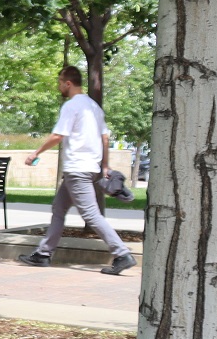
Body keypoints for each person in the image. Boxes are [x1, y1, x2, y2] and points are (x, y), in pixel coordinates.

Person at [17, 64, 135, 275]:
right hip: (90, 168)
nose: (59, 87)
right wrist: (105, 165)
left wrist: (36, 153)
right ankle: (43, 254)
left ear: (68, 83)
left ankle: (122, 254)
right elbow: (105, 138)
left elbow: (58, 135)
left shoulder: (71, 106)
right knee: (59, 208)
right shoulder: (94, 107)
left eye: (60, 83)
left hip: (77, 169)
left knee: (90, 214)